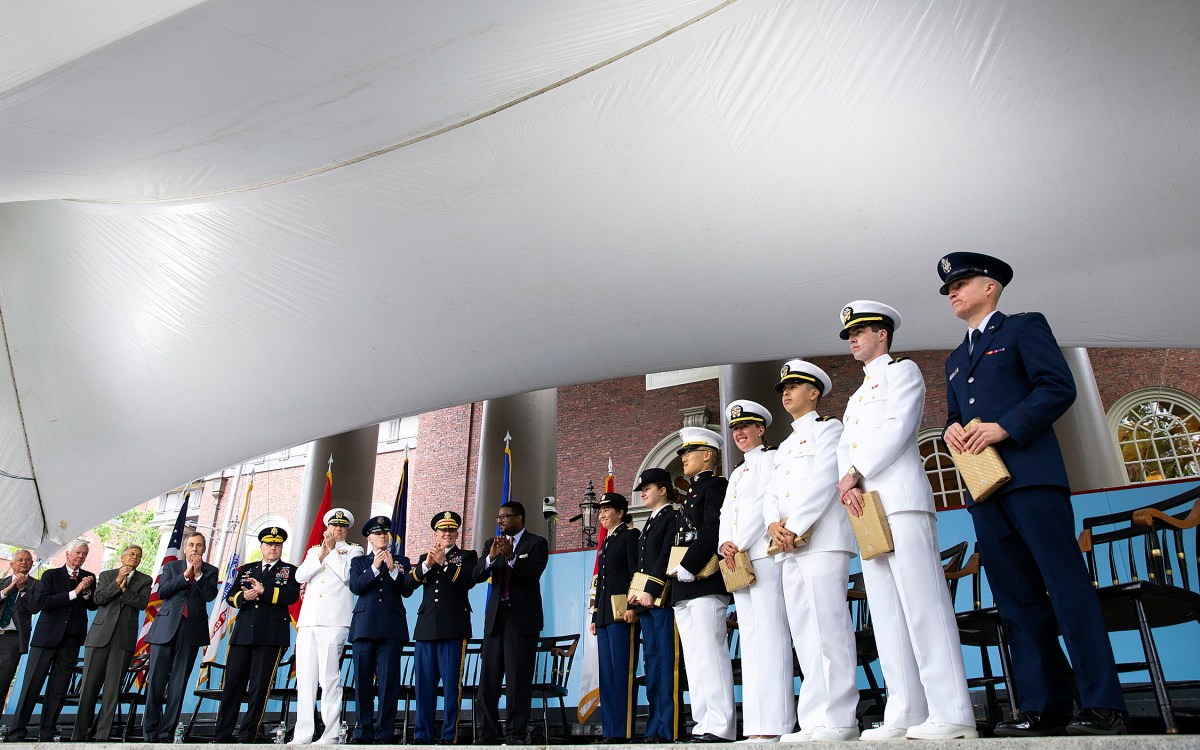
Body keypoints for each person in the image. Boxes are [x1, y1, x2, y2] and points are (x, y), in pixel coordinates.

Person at [937, 252, 1127, 736]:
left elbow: (1057, 386)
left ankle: (1104, 704)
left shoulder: (1023, 328)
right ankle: (1044, 706)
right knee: (1015, 597)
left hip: (1032, 477)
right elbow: (956, 413)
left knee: (1065, 586)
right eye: (949, 289)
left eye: (962, 284)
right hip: (984, 488)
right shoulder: (956, 359)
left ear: (991, 287)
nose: (953, 293)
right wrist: (950, 431)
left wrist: (1007, 427)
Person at [835, 300, 977, 741]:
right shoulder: (857, 395)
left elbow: (897, 428)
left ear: (883, 334)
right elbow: (846, 445)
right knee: (887, 613)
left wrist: (855, 473)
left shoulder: (903, 372)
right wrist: (847, 480)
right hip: (866, 507)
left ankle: (953, 712)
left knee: (924, 604)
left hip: (900, 499)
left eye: (861, 332)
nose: (853, 339)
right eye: (849, 335)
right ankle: (906, 710)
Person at [763, 362, 859, 742]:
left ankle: (841, 718)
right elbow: (772, 492)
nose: (786, 393)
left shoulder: (828, 428)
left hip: (821, 542)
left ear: (815, 392)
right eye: (783, 388)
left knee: (829, 628)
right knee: (804, 632)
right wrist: (773, 525)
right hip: (789, 548)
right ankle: (814, 718)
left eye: (795, 386)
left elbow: (824, 482)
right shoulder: (785, 445)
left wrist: (794, 527)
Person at [716, 400, 793, 742]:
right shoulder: (737, 471)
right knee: (750, 640)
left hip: (760, 554)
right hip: (737, 559)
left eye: (746, 427)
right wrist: (724, 544)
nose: (740, 433)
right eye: (735, 429)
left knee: (771, 635)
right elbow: (725, 515)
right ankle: (757, 724)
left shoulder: (770, 459)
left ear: (761, 429)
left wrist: (740, 542)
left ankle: (778, 721)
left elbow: (766, 504)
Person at [670, 426, 735, 743]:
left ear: (707, 454)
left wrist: (689, 564)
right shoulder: (692, 492)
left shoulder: (716, 486)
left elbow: (713, 530)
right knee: (695, 660)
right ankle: (703, 723)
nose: (683, 457)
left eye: (688, 452)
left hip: (706, 580)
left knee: (711, 655)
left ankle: (720, 726)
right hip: (685, 586)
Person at [472, 500, 549, 744]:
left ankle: (515, 733)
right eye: (499, 518)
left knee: (517, 679)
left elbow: (531, 574)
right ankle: (488, 733)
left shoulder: (536, 543)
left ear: (519, 518)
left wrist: (512, 556)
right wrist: (490, 558)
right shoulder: (490, 544)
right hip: (496, 618)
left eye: (505, 517)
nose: (501, 521)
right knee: (489, 680)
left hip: (521, 620)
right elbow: (476, 576)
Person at [214, 527, 301, 743]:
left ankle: (248, 736)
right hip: (243, 634)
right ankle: (222, 735)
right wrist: (244, 596)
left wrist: (264, 591)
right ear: (261, 547)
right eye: (269, 544)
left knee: (259, 689)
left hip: (271, 636)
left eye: (277, 545)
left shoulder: (290, 571)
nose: (273, 548)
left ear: (281, 548)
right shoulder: (246, 569)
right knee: (232, 686)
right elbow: (231, 596)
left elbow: (291, 596)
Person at [8, 539, 98, 741]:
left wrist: (85, 593)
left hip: (72, 639)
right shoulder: (51, 575)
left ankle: (47, 731)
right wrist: (74, 593)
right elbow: (43, 603)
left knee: (59, 688)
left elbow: (92, 605)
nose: (80, 557)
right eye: (77, 553)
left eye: (84, 554)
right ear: (67, 555)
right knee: (32, 684)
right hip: (46, 638)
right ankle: (17, 731)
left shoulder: (89, 577)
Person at [404, 510, 478, 745]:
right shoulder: (426, 556)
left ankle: (449, 735)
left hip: (454, 627)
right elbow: (406, 587)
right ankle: (423, 734)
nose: (446, 533)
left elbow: (468, 581)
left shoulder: (467, 556)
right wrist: (426, 565)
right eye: (442, 530)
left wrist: (444, 564)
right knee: (424, 685)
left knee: (450, 687)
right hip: (426, 627)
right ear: (435, 534)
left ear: (457, 534)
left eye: (451, 530)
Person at [291, 508, 362, 745]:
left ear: (346, 529)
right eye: (333, 526)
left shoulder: (354, 550)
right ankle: (302, 734)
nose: (337, 529)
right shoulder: (314, 550)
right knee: (306, 678)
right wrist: (321, 554)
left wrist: (331, 552)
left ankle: (331, 732)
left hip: (334, 621)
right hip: (309, 620)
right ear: (327, 528)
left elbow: (347, 576)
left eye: (342, 526)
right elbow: (300, 576)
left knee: (329, 678)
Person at [142, 531, 220, 742]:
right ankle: (149, 733)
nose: (195, 549)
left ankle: (167, 733)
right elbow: (163, 592)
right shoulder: (171, 567)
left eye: (199, 545)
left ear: (204, 549)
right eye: (191, 545)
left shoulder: (211, 571)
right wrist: (186, 575)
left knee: (178, 684)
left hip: (191, 631)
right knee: (156, 683)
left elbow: (210, 595)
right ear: (185, 548)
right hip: (165, 629)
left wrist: (198, 574)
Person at [72, 544, 153, 741]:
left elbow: (142, 603)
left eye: (138, 556)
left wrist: (124, 591)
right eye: (131, 554)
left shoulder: (144, 580)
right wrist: (118, 583)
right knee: (89, 687)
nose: (135, 557)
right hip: (99, 636)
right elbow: (99, 599)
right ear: (122, 557)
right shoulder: (107, 575)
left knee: (112, 690)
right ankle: (79, 735)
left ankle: (102, 736)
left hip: (123, 639)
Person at [628, 468, 683, 744]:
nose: (644, 493)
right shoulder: (650, 521)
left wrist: (651, 589)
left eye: (648, 488)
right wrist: (637, 594)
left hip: (662, 599)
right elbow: (642, 564)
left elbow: (666, 556)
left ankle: (669, 727)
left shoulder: (672, 516)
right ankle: (654, 726)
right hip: (647, 602)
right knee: (652, 664)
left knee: (665, 663)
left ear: (663, 490)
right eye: (642, 489)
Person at [347, 516, 412, 744]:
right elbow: (356, 587)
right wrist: (375, 567)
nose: (383, 536)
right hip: (364, 627)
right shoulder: (360, 562)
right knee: (362, 682)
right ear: (370, 538)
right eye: (378, 533)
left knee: (388, 684)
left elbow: (406, 590)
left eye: (385, 532)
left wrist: (393, 570)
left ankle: (384, 732)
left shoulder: (402, 560)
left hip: (392, 628)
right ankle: (362, 730)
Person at [589, 493, 640, 743]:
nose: (602, 515)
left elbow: (635, 572)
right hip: (605, 615)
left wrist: (634, 606)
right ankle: (610, 730)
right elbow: (601, 582)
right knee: (607, 675)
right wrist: (595, 614)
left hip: (623, 612)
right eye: (600, 511)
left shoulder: (629, 536)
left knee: (622, 672)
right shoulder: (606, 542)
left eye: (607, 510)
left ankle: (623, 730)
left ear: (620, 512)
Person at [0, 550, 40, 712]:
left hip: (12, 639)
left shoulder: (37, 585)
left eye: (27, 560)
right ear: (12, 564)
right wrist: (10, 587)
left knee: (2, 683)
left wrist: (22, 590)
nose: (23, 562)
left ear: (31, 564)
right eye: (20, 560)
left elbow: (35, 608)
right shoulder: (2, 582)